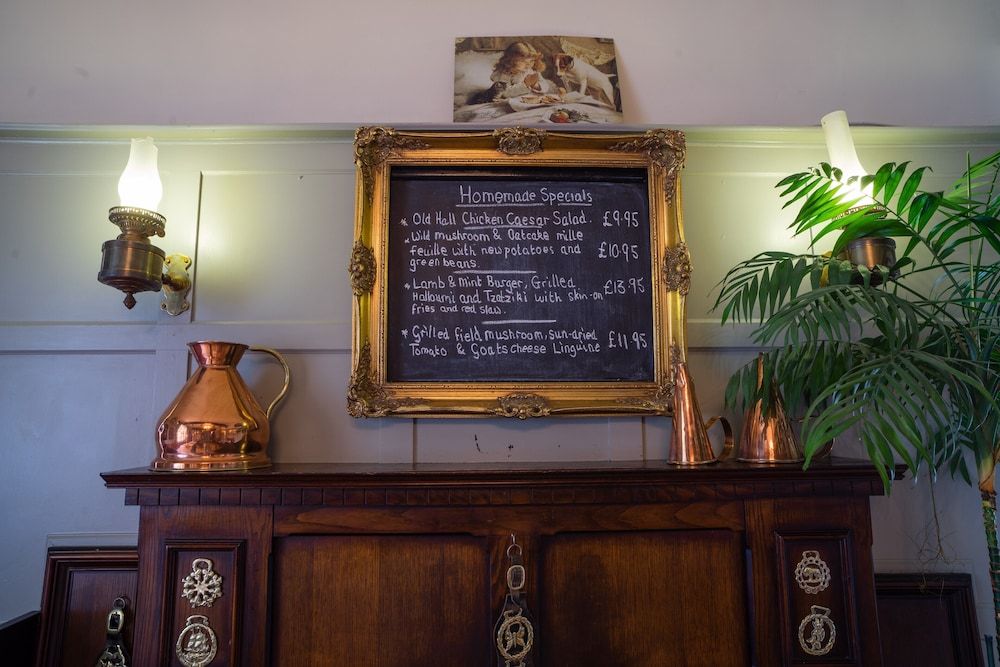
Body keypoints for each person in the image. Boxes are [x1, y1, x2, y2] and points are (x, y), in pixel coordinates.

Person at [469, 42, 559, 105]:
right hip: (507, 99)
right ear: (511, 61)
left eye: (531, 61)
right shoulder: (506, 73)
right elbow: (505, 93)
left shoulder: (531, 70)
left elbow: (545, 85)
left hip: (525, 100)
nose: (528, 64)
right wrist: (525, 85)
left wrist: (537, 86)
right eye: (523, 61)